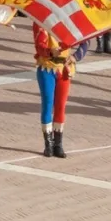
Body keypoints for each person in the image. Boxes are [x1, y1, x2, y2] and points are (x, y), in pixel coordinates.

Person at [34, 22, 78, 158]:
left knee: (60, 106)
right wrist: (50, 51)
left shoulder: (70, 21)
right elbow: (39, 46)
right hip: (47, 68)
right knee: (48, 104)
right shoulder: (41, 21)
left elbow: (85, 41)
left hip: (64, 69)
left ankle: (58, 144)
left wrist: (76, 56)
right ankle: (48, 144)